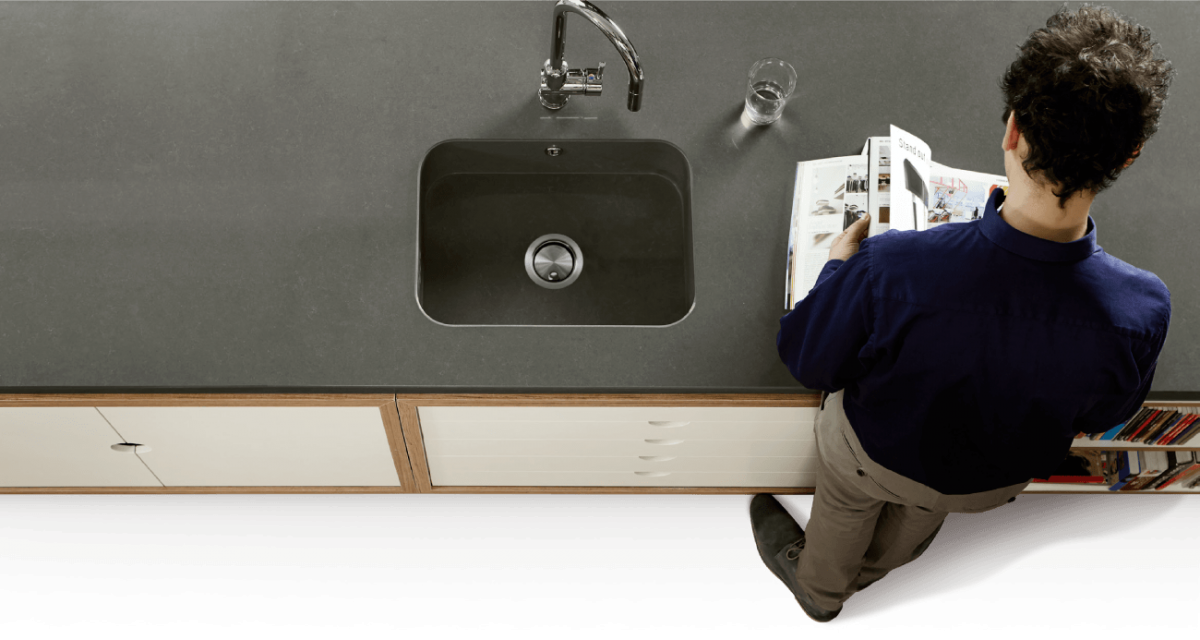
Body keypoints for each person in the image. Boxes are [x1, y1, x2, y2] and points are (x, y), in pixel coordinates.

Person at [756, 4, 1174, 625]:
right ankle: (879, 568)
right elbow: (1108, 411)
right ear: (1131, 155)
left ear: (1012, 130)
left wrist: (841, 265)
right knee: (924, 509)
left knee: (846, 506)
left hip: (875, 453)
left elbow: (810, 359)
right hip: (989, 483)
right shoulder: (1143, 308)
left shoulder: (891, 267)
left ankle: (821, 594)